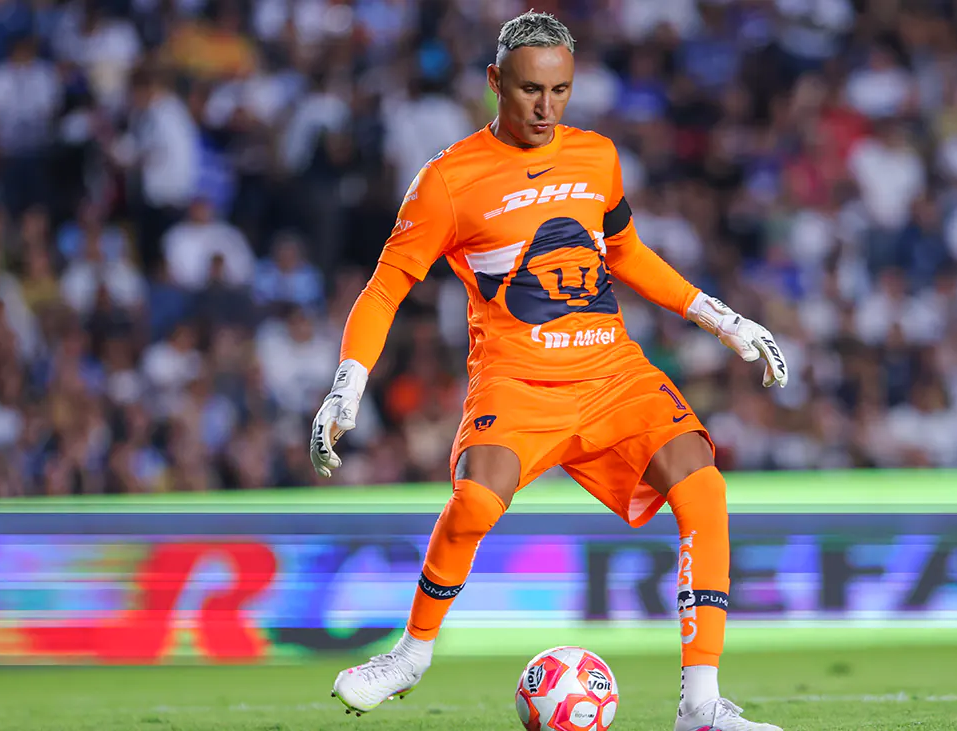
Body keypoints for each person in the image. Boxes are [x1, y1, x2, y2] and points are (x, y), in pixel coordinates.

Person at [310, 12, 788, 731]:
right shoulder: (448, 180)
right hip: (517, 381)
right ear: (496, 82)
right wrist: (348, 383)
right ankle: (410, 655)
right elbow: (384, 287)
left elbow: (624, 251)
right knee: (473, 502)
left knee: (704, 488)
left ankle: (699, 706)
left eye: (560, 90)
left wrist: (721, 318)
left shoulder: (597, 156)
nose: (545, 108)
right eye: (531, 90)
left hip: (614, 374)